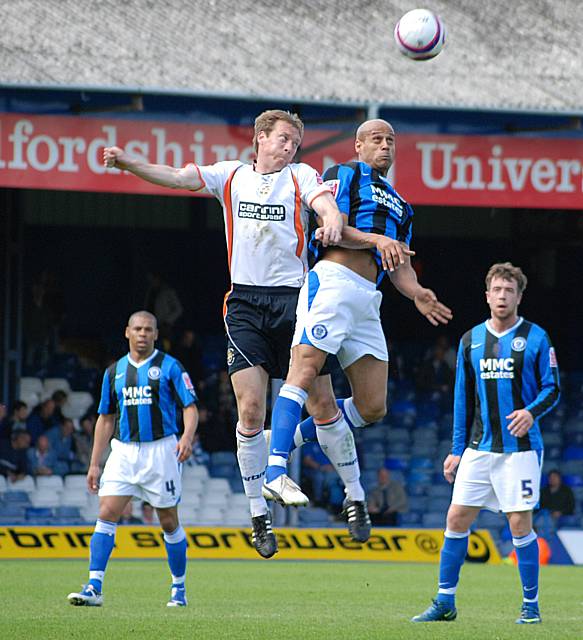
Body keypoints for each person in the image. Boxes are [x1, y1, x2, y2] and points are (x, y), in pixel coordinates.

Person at [103, 109, 343, 559]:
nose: (289, 146)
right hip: (247, 304)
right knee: (251, 411)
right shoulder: (229, 176)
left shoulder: (302, 175)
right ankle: (258, 514)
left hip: (296, 300)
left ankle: (347, 487)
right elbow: (175, 177)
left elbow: (324, 203)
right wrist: (128, 162)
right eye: (283, 138)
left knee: (321, 403)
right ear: (260, 139)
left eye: (295, 141)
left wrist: (329, 218)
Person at [263, 119, 452, 542]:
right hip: (333, 282)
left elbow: (398, 263)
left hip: (369, 299)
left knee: (373, 407)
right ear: (359, 145)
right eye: (377, 140)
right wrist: (375, 241)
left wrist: (417, 292)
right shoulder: (344, 174)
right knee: (305, 369)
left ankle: (286, 437)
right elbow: (332, 230)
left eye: (391, 140)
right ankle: (274, 467)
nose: (385, 146)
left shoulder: (402, 205)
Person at [412, 262, 560, 625]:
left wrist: (531, 412)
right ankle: (445, 601)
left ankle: (530, 606)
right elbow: (462, 400)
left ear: (519, 297)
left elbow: (553, 387)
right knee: (456, 516)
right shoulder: (470, 340)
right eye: (497, 289)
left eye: (509, 290)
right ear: (487, 295)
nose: (502, 296)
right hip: (479, 447)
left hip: (520, 450)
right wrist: (455, 449)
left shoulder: (537, 338)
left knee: (519, 525)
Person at [67, 310, 198, 608]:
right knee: (106, 512)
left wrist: (187, 436)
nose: (142, 334)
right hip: (124, 451)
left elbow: (190, 406)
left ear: (155, 333)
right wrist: (94, 462)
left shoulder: (170, 367)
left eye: (148, 329)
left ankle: (179, 588)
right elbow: (105, 418)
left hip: (161, 451)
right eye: (137, 329)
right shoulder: (113, 372)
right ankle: (94, 587)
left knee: (168, 521)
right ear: (127, 332)